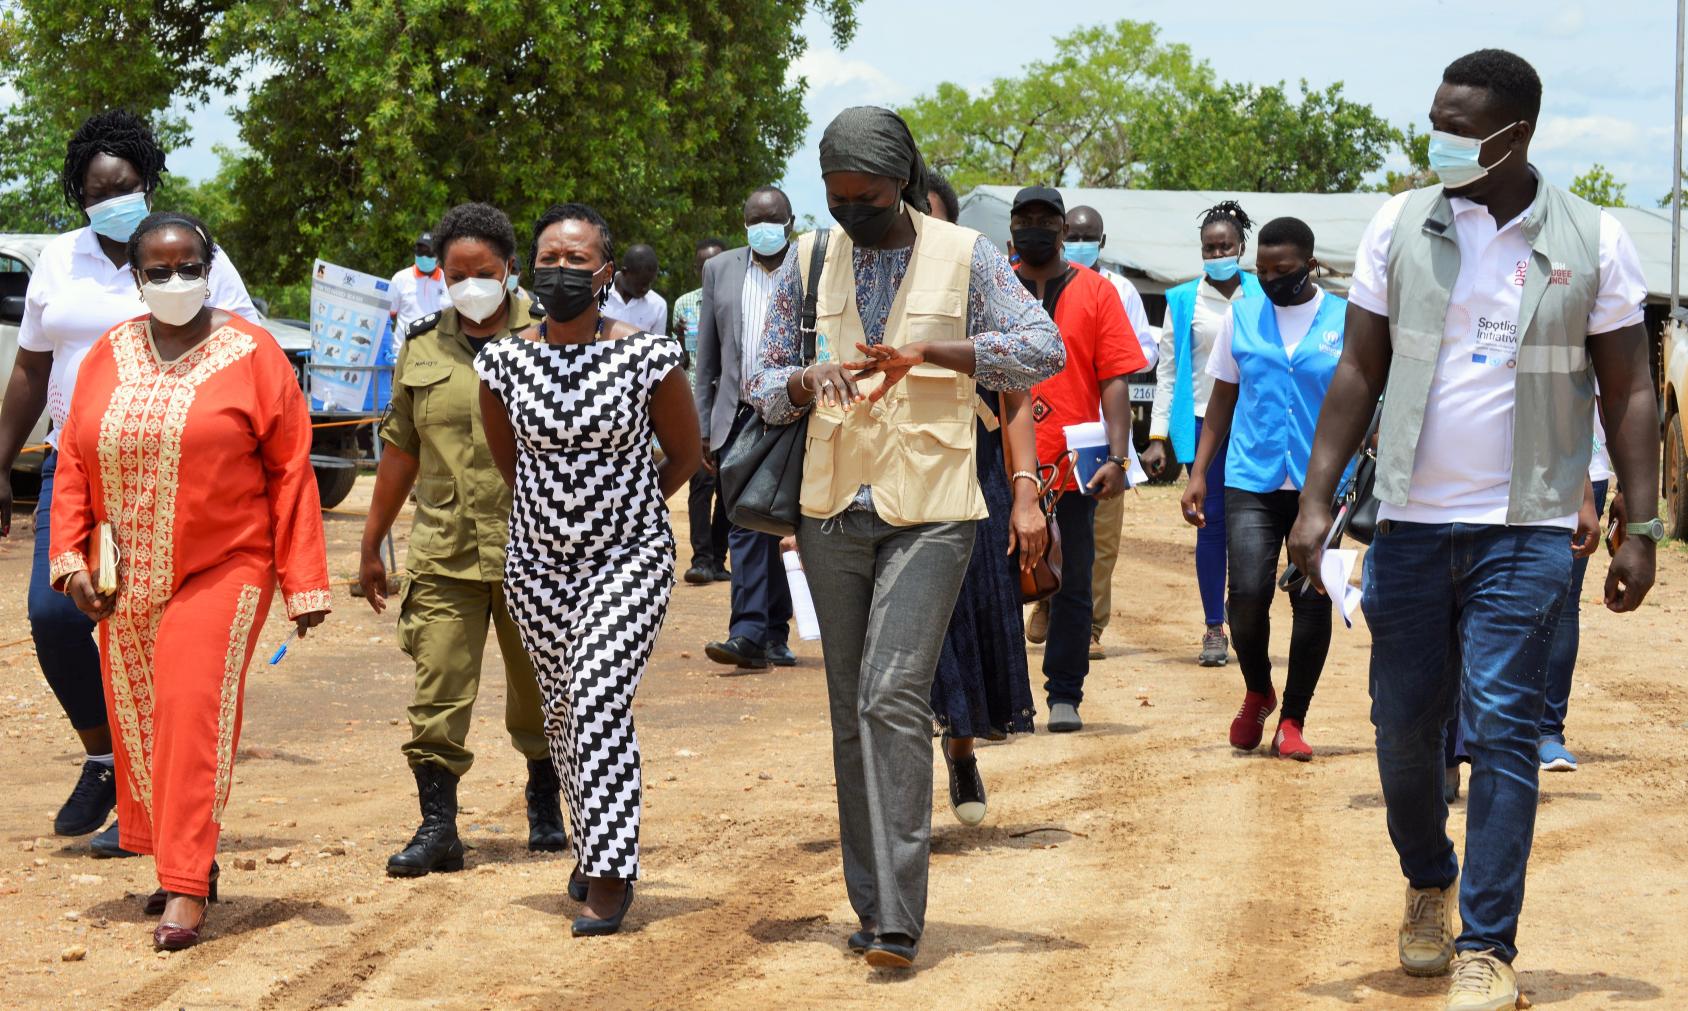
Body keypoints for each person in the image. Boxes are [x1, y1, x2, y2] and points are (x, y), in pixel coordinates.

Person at [1288, 49, 1657, 1011]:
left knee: (1503, 731)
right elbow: (1359, 372)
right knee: (1401, 731)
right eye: (1436, 119)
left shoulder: (1594, 238)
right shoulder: (1398, 223)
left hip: (1526, 527)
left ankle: (1487, 944)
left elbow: (1629, 388)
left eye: (1458, 125)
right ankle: (1428, 878)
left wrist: (1641, 521)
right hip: (1409, 521)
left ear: (1515, 134)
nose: (1439, 137)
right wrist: (1316, 500)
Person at [747, 106, 1063, 969]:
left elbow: (1043, 350)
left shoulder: (967, 254)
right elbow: (760, 381)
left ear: (907, 180)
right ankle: (873, 899)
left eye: (870, 197)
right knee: (851, 704)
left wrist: (934, 352)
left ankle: (899, 918)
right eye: (838, 198)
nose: (853, 212)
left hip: (934, 508)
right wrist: (805, 380)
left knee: (891, 693)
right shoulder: (809, 259)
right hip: (829, 508)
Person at [49, 211, 331, 950]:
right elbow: (75, 459)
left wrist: (303, 579)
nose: (176, 281)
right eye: (159, 270)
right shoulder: (108, 353)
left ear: (208, 269)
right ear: (137, 279)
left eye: (188, 267)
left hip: (227, 563)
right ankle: (176, 854)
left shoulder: (253, 352)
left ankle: (184, 882)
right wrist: (71, 563)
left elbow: (290, 467)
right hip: (128, 574)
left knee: (189, 705)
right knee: (144, 719)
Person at [0, 110, 258, 859]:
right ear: (79, 193)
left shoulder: (189, 254)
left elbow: (250, 352)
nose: (110, 199)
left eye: (124, 186)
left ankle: (150, 801)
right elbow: (30, 367)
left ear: (148, 184)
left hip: (172, 473)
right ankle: (107, 756)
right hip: (75, 463)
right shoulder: (59, 258)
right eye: (94, 190)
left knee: (145, 633)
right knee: (55, 613)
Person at [476, 203, 700, 937]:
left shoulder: (649, 355)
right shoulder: (502, 360)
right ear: (527, 268)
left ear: (606, 272)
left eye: (578, 260)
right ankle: (590, 839)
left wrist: (622, 509)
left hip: (629, 554)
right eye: (550, 258)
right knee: (564, 710)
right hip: (537, 563)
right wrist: (557, 514)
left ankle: (609, 872)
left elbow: (685, 454)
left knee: (599, 694)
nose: (562, 271)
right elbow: (511, 459)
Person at [358, 202, 565, 878]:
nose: (471, 283)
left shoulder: (558, 334)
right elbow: (399, 450)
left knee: (541, 685)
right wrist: (370, 543)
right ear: (439, 276)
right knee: (437, 685)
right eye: (456, 273)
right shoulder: (421, 341)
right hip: (445, 548)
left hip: (537, 548)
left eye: (485, 271)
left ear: (510, 270)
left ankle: (545, 795)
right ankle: (438, 825)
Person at [1180, 217, 1346, 761]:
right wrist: (1200, 470)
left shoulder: (1345, 320)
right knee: (1246, 596)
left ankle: (1293, 718)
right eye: (1264, 269)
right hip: (1250, 476)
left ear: (1311, 266)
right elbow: (1223, 397)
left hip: (1317, 486)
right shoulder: (1241, 316)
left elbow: (1363, 399)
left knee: (1310, 598)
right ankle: (1258, 688)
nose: (1272, 278)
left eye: (1285, 270)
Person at [923, 176, 1044, 827]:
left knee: (964, 613)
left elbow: (1017, 395)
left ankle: (962, 749)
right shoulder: (860, 294)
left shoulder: (982, 291)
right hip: (887, 474)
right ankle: (902, 772)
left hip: (973, 473)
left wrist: (1026, 494)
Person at [1011, 185, 1145, 734]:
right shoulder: (993, 289)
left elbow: (1115, 378)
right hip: (1004, 459)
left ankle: (1064, 692)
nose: (1036, 228)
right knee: (994, 579)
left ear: (1063, 230)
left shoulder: (1098, 292)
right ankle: (1004, 697)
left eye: (1047, 219)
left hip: (1074, 463)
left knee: (1072, 579)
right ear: (1012, 228)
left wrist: (1117, 455)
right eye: (1026, 219)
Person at [1142, 202, 1263, 668]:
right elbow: (1168, 373)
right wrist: (1157, 436)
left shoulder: (1261, 293)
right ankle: (1215, 626)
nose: (1217, 253)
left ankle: (1246, 616)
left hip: (1253, 423)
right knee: (1210, 528)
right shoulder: (1181, 300)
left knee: (1249, 528)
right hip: (1201, 423)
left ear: (1241, 248)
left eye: (1225, 246)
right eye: (1209, 247)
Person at [696, 186, 798, 670]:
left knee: (785, 524)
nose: (764, 226)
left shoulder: (810, 266)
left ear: (791, 221)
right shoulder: (720, 270)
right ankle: (749, 632)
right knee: (745, 522)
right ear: (743, 223)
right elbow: (708, 359)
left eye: (773, 218)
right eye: (755, 218)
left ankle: (774, 630)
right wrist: (704, 427)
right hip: (739, 416)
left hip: (800, 412)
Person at [1060, 204, 1158, 660]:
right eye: (1073, 234)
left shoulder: (1119, 290)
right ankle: (1048, 602)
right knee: (1051, 525)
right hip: (1055, 428)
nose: (1080, 241)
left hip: (1102, 431)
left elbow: (1146, 350)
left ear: (1102, 241)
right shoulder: (1044, 281)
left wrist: (1108, 356)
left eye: (1089, 235)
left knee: (1101, 536)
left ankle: (1091, 627)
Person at [674, 237, 732, 586]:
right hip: (697, 405)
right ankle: (700, 559)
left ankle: (718, 559)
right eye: (704, 265)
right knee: (701, 482)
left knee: (728, 486)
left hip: (732, 403)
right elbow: (681, 360)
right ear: (698, 269)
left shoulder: (738, 300)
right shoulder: (683, 305)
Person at [389, 231, 448, 337]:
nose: (424, 257)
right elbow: (388, 316)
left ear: (438, 255)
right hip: (401, 351)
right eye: (420, 252)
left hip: (436, 350)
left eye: (429, 252)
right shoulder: (400, 279)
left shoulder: (448, 281)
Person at [604, 243, 667, 335]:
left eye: (650, 283)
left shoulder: (658, 306)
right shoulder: (597, 294)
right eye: (641, 284)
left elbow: (658, 347)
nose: (646, 289)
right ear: (625, 272)